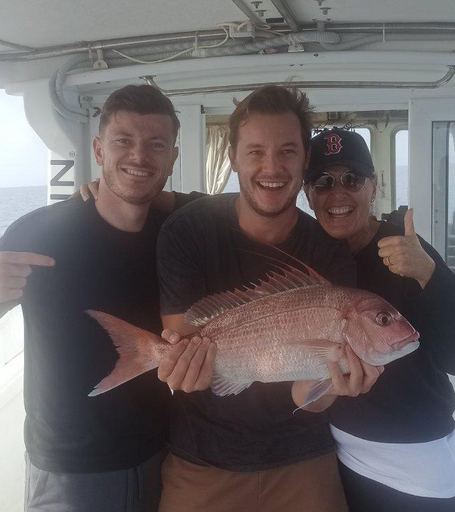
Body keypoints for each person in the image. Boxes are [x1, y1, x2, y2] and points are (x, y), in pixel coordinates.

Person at [0, 84, 202, 512]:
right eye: (123, 142)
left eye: (156, 145)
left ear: (172, 159)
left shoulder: (178, 231)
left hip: (162, 457)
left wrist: (158, 195)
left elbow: (237, 208)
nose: (139, 156)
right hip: (69, 474)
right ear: (98, 149)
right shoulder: (39, 234)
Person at [153, 86, 382, 512]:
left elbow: (303, 397)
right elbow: (181, 338)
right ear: (233, 158)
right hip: (202, 461)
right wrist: (174, 365)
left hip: (303, 460)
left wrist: (336, 384)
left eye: (288, 151)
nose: (272, 167)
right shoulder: (187, 231)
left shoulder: (328, 252)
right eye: (255, 151)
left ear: (304, 161)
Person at [298, 127, 455, 511]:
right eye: (323, 181)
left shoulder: (407, 249)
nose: (338, 193)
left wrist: (430, 275)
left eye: (352, 179)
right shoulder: (309, 257)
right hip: (337, 453)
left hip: (417, 463)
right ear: (307, 193)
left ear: (374, 186)